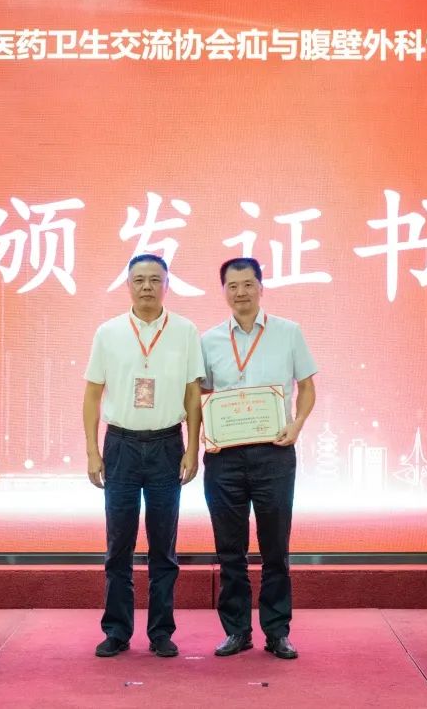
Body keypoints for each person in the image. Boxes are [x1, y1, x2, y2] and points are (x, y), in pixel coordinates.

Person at [83, 253, 204, 658]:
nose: (147, 286)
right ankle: (117, 631)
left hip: (168, 445)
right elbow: (92, 395)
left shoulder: (185, 331)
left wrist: (192, 449)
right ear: (128, 285)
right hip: (120, 446)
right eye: (139, 280)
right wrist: (92, 451)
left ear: (167, 285)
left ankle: (161, 632)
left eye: (155, 279)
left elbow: (192, 394)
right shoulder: (109, 332)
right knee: (118, 544)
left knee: (163, 546)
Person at [200, 257, 317, 660]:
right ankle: (237, 631)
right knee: (229, 550)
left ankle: (277, 631)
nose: (241, 293)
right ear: (224, 292)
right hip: (224, 458)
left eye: (248, 284)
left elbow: (307, 388)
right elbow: (202, 395)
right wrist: (207, 433)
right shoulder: (209, 340)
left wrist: (296, 425)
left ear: (261, 287)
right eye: (232, 286)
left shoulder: (288, 332)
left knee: (275, 549)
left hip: (274, 453)